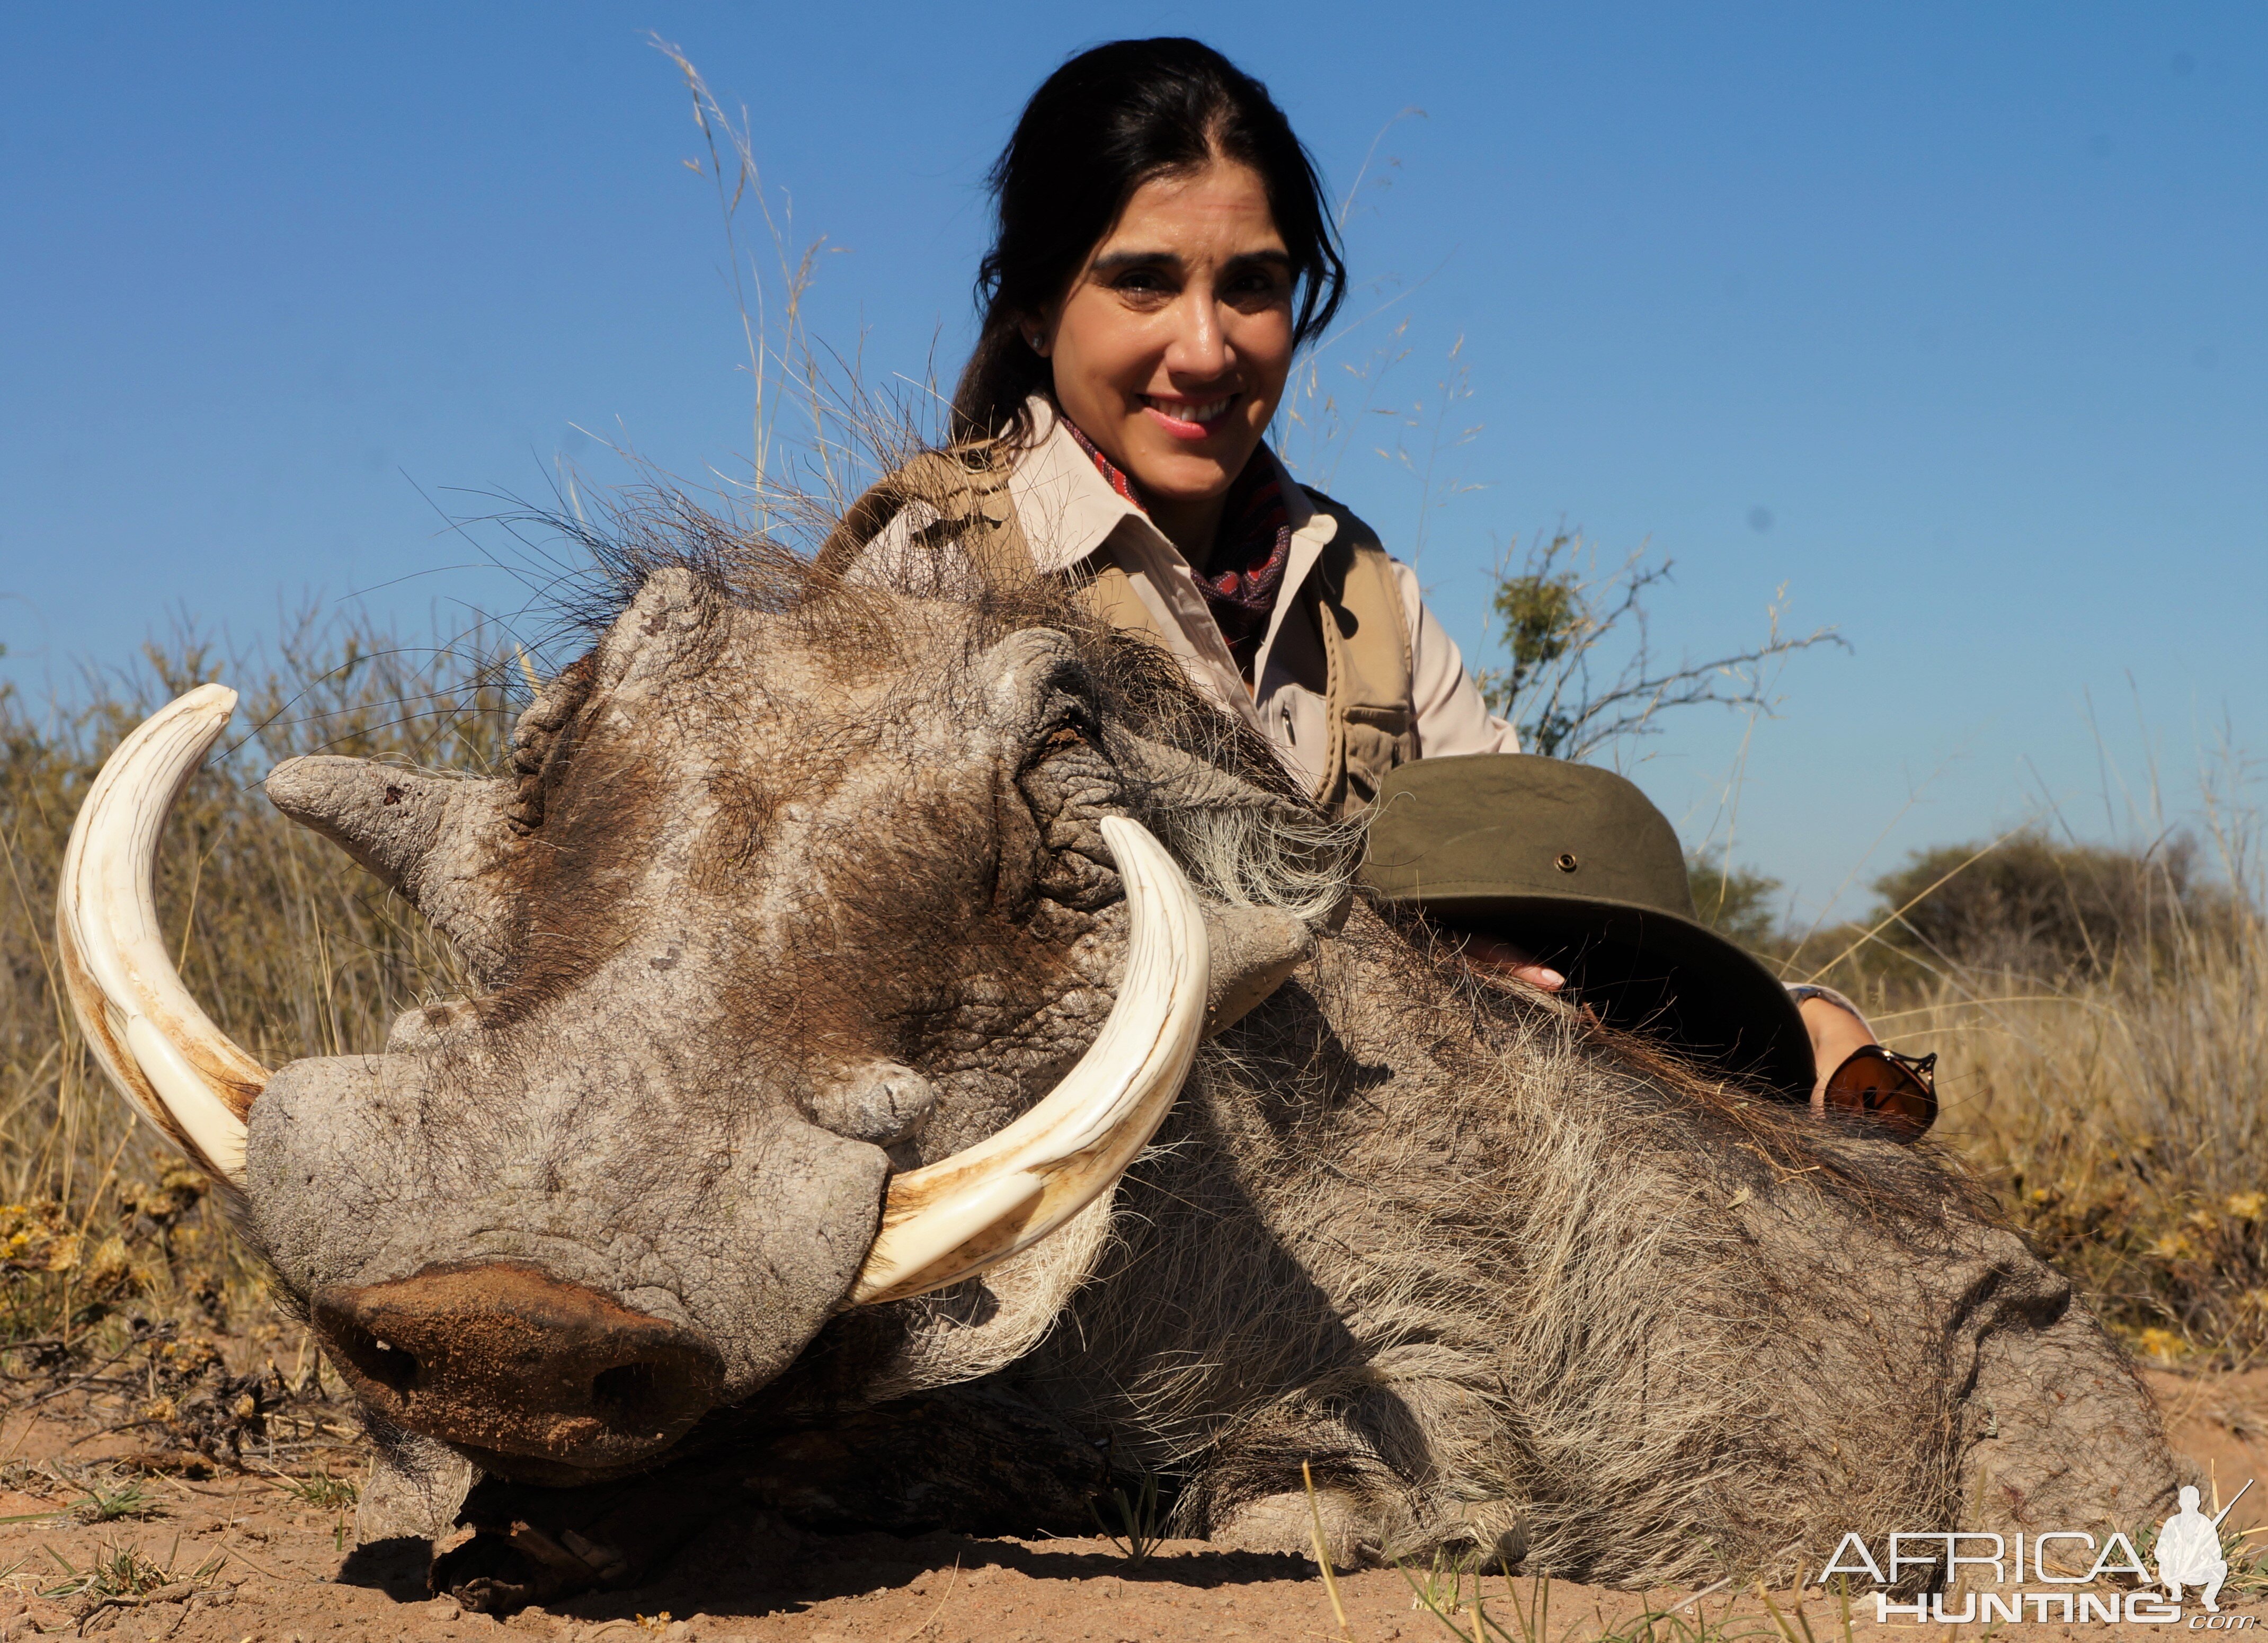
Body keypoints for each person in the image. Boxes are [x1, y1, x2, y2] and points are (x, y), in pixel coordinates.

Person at [834, 36, 1922, 1126]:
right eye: (1142, 283)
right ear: (1032, 306)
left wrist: (1796, 1023)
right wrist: (1416, 986)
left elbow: (1551, 895)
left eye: (1252, 285)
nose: (1206, 348)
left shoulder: (1368, 599)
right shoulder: (932, 574)